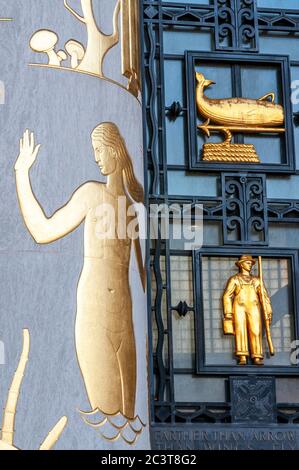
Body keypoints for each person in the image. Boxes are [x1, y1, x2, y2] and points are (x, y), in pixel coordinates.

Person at [15, 123, 145, 419]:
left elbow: (142, 277)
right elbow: (42, 231)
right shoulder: (91, 193)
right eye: (93, 152)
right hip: (95, 318)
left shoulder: (132, 209)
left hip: (125, 321)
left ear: (113, 150)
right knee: (107, 417)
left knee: (127, 420)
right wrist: (21, 174)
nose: (96, 158)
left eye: (99, 150)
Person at [222, 255, 272, 365]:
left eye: (251, 263)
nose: (250, 265)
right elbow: (227, 296)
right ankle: (242, 355)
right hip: (239, 307)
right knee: (240, 330)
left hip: (254, 307)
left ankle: (257, 356)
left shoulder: (256, 280)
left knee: (256, 330)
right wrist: (228, 312)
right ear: (241, 264)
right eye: (248, 263)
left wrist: (268, 310)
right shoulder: (235, 279)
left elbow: (264, 297)